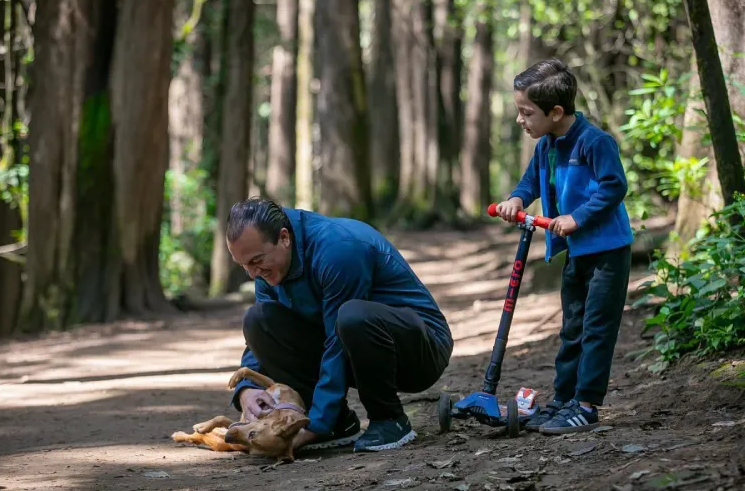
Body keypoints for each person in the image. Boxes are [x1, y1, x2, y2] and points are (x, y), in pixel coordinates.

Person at [225, 197, 454, 452]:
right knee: (258, 319)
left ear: (284, 238)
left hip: (420, 351)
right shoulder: (265, 263)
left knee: (352, 315)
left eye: (256, 261)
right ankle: (338, 424)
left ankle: (389, 420)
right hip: (353, 345)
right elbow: (263, 332)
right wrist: (247, 389)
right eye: (244, 265)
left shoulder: (338, 249)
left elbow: (336, 341)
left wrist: (313, 429)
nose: (252, 273)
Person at [494, 58, 633, 434]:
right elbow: (530, 182)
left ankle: (586, 406)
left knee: (596, 328)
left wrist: (577, 217)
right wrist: (518, 200)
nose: (520, 120)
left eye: (526, 113)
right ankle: (563, 398)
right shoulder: (547, 145)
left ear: (556, 112)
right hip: (577, 254)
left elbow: (613, 186)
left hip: (607, 251)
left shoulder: (595, 142)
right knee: (571, 328)